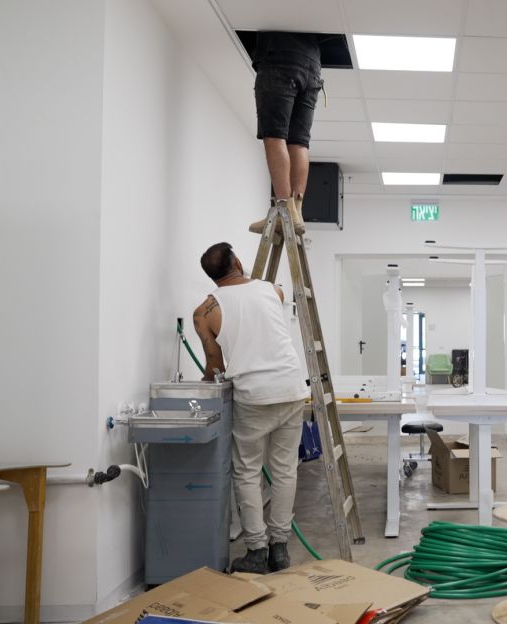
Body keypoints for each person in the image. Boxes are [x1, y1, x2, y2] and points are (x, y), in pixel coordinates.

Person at [193, 242, 310, 573]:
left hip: (254, 396)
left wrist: (204, 384)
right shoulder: (274, 291)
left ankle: (256, 551)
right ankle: (280, 547)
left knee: (247, 471)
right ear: (239, 262)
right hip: (290, 388)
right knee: (285, 469)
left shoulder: (204, 311)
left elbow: (214, 365)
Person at [247, 31, 324, 235]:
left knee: (274, 135)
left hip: (278, 56)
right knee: (298, 142)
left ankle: (283, 210)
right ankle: (295, 211)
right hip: (312, 66)